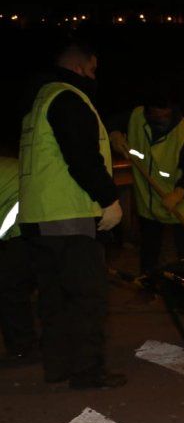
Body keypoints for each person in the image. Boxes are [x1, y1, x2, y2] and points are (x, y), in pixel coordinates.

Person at [17, 38, 126, 389]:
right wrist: (109, 198)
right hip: (70, 218)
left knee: (54, 299)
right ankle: (88, 372)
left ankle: (59, 367)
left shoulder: (39, 102)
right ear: (82, 66)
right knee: (86, 298)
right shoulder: (69, 98)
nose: (95, 76)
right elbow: (81, 157)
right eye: (93, 69)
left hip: (40, 220)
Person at [108, 91, 184, 277]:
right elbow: (110, 121)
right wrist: (114, 133)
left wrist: (177, 194)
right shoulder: (136, 117)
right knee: (149, 248)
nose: (162, 120)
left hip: (179, 202)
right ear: (147, 112)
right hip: (148, 201)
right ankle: (148, 283)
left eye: (166, 115)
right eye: (156, 116)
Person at [0, 156, 38, 367]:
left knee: (10, 288)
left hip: (22, 228)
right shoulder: (7, 166)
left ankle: (23, 346)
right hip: (36, 219)